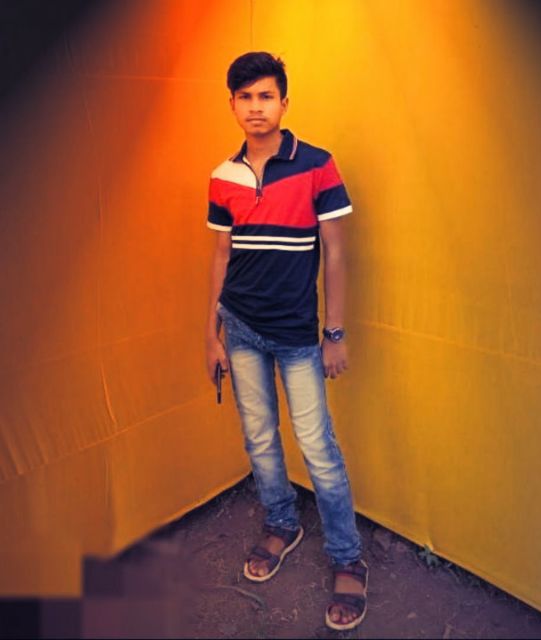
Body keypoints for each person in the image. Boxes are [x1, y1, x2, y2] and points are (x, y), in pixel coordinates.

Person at [204, 51, 368, 631]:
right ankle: (282, 523)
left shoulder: (317, 165)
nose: (256, 107)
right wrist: (210, 334)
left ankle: (347, 557)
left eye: (266, 96)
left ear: (284, 103)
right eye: (245, 97)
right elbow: (221, 256)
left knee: (317, 446)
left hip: (298, 334)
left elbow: (337, 254)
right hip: (240, 329)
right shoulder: (222, 176)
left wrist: (335, 334)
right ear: (232, 105)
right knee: (259, 437)